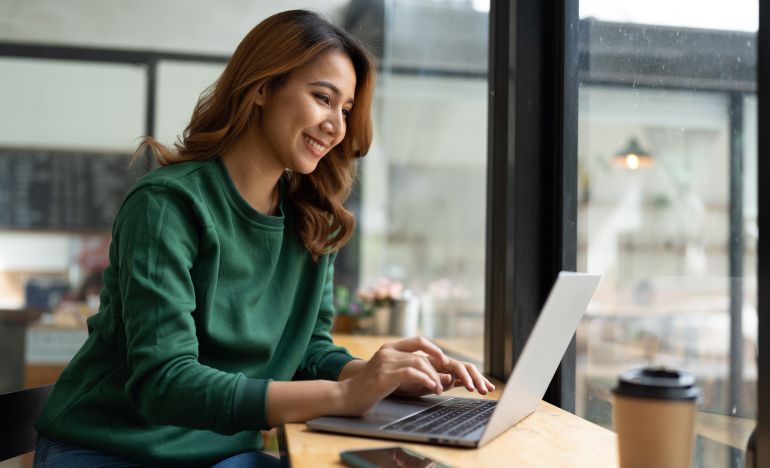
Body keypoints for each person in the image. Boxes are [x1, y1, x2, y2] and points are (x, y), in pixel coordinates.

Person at [34, 9, 494, 467]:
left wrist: (378, 376)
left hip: (223, 453)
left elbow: (306, 351)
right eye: (322, 97)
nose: (337, 126)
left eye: (345, 110)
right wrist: (345, 395)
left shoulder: (312, 219)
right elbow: (165, 382)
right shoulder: (166, 205)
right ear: (261, 87)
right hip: (110, 449)